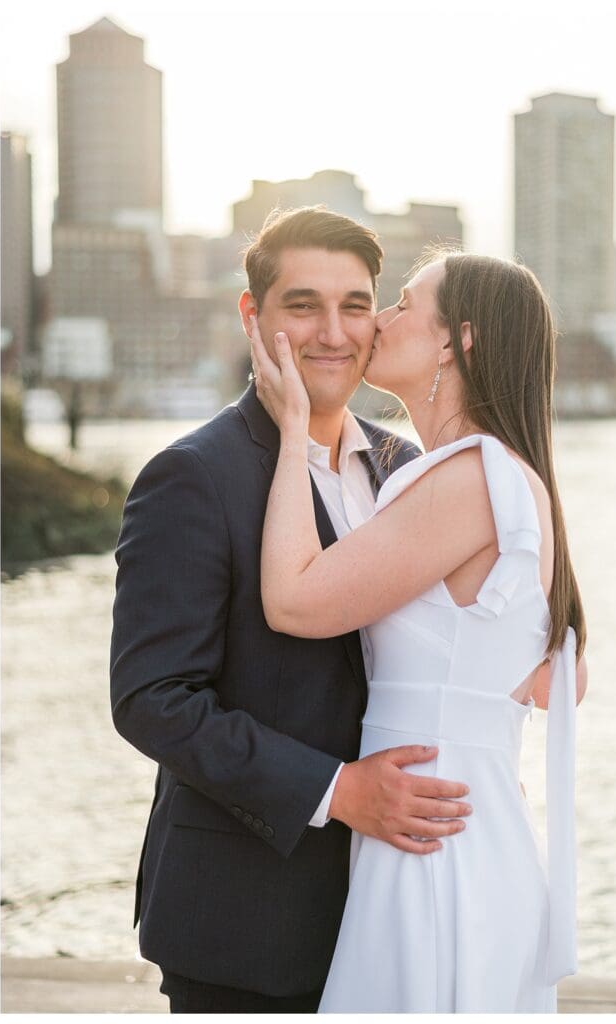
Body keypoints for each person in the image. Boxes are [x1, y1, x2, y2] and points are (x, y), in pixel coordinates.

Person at [109, 208, 473, 1014]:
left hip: (397, 904)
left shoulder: (406, 467)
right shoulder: (191, 476)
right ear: (254, 315)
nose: (333, 333)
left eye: (355, 306)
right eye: (304, 306)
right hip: (247, 923)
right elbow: (152, 701)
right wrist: (337, 791)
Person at [250, 247, 588, 1013]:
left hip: (435, 844)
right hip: (448, 820)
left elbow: (293, 601)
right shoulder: (505, 476)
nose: (381, 320)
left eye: (404, 303)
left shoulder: (471, 478)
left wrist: (294, 429)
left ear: (455, 341)